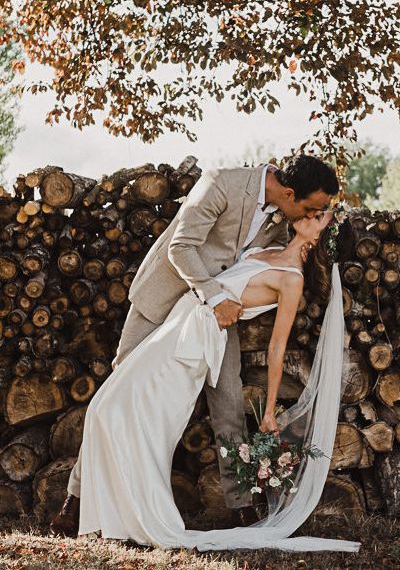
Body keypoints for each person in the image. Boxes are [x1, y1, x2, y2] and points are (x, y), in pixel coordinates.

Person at [51, 155, 339, 536]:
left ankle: (240, 508)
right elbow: (181, 247)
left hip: (217, 319)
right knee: (117, 395)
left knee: (230, 402)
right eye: (310, 207)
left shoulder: (280, 221)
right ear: (288, 193)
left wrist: (223, 304)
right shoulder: (221, 182)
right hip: (165, 300)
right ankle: (77, 501)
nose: (310, 214)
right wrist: (215, 298)